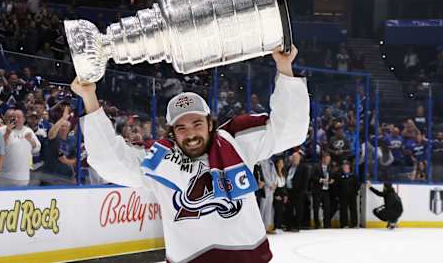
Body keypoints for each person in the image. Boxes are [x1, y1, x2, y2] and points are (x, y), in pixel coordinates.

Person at [72, 46, 309, 263]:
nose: (191, 133)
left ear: (209, 123)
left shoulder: (235, 140)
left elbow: (288, 132)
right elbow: (110, 161)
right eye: (181, 127)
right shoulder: (160, 160)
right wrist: (89, 98)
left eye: (196, 124)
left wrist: (284, 68)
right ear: (172, 132)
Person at [0, 109, 41, 186]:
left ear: (24, 119)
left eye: (18, 117)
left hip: (23, 177)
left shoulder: (28, 131)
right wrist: (7, 133)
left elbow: (37, 149)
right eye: (13, 117)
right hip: (4, 175)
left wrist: (31, 140)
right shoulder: (2, 130)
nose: (16, 119)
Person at [284, 151, 308, 232]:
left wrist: (302, 192)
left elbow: (305, 181)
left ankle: (297, 226)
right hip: (289, 191)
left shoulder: (304, 167)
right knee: (289, 209)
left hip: (298, 192)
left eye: (296, 158)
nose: (294, 159)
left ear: (299, 158)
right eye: (293, 158)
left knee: (298, 209)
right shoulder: (289, 167)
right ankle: (288, 226)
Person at [311, 152, 333, 229]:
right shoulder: (316, 166)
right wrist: (321, 180)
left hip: (326, 190)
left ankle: (327, 224)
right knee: (316, 208)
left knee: (327, 208)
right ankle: (317, 224)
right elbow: (312, 177)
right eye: (327, 159)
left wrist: (331, 180)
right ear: (323, 158)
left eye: (329, 160)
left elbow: (331, 177)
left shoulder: (329, 168)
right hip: (317, 190)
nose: (328, 161)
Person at [336, 160, 359, 228]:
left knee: (353, 209)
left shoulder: (354, 175)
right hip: (342, 196)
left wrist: (355, 192)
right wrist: (338, 194)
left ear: (349, 167)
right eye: (344, 167)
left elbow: (357, 185)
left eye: (346, 166)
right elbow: (337, 186)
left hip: (352, 195)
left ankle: (354, 224)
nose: (345, 168)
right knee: (343, 210)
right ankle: (344, 224)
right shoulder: (339, 175)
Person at [259, 158, 277, 234]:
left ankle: (266, 227)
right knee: (262, 208)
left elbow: (275, 174)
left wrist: (275, 184)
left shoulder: (271, 162)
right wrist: (270, 184)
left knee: (269, 209)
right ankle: (260, 228)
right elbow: (263, 175)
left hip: (272, 189)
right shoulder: (261, 162)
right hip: (265, 188)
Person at [273, 158, 288, 233]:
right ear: (277, 164)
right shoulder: (275, 173)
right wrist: (275, 195)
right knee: (277, 211)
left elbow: (284, 186)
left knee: (281, 211)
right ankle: (276, 227)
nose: (282, 164)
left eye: (282, 162)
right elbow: (275, 186)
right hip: (277, 193)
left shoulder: (283, 172)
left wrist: (285, 195)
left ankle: (280, 226)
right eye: (280, 162)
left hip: (282, 193)